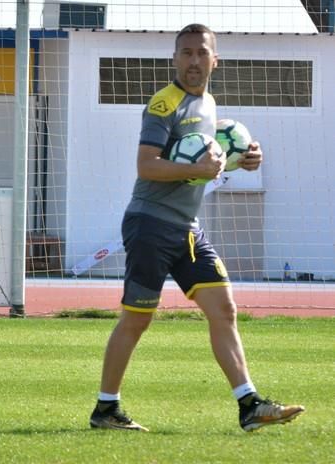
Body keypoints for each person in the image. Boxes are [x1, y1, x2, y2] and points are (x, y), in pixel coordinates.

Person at [89, 24, 304, 433]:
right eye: (185, 53)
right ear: (175, 59)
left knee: (224, 310)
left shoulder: (208, 104)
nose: (193, 61)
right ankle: (106, 409)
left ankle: (249, 405)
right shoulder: (163, 106)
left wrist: (242, 160)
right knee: (136, 319)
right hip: (149, 224)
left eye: (201, 53)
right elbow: (147, 165)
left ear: (214, 60)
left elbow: (204, 165)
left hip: (187, 229)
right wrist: (200, 169)